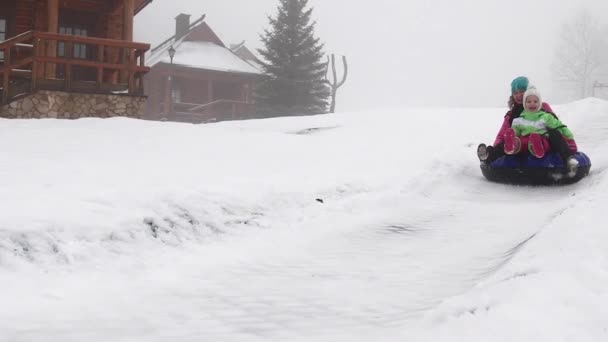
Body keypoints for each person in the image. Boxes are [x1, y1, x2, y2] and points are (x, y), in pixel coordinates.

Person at [477, 76, 564, 163]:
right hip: (519, 146)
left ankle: (564, 159)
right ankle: (488, 155)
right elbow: (502, 134)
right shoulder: (512, 114)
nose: (518, 95)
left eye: (521, 92)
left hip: (541, 143)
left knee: (553, 134)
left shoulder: (542, 107)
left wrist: (566, 145)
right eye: (515, 93)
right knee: (508, 142)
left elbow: (556, 125)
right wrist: (497, 149)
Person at [503, 86, 579, 174]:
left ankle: (537, 148)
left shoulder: (545, 117)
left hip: (542, 138)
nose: (532, 104)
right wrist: (513, 135)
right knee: (520, 141)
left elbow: (558, 126)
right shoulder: (519, 120)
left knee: (543, 140)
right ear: (524, 104)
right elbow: (516, 131)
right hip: (525, 141)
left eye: (535, 101)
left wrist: (569, 137)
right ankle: (513, 146)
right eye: (529, 101)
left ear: (539, 103)